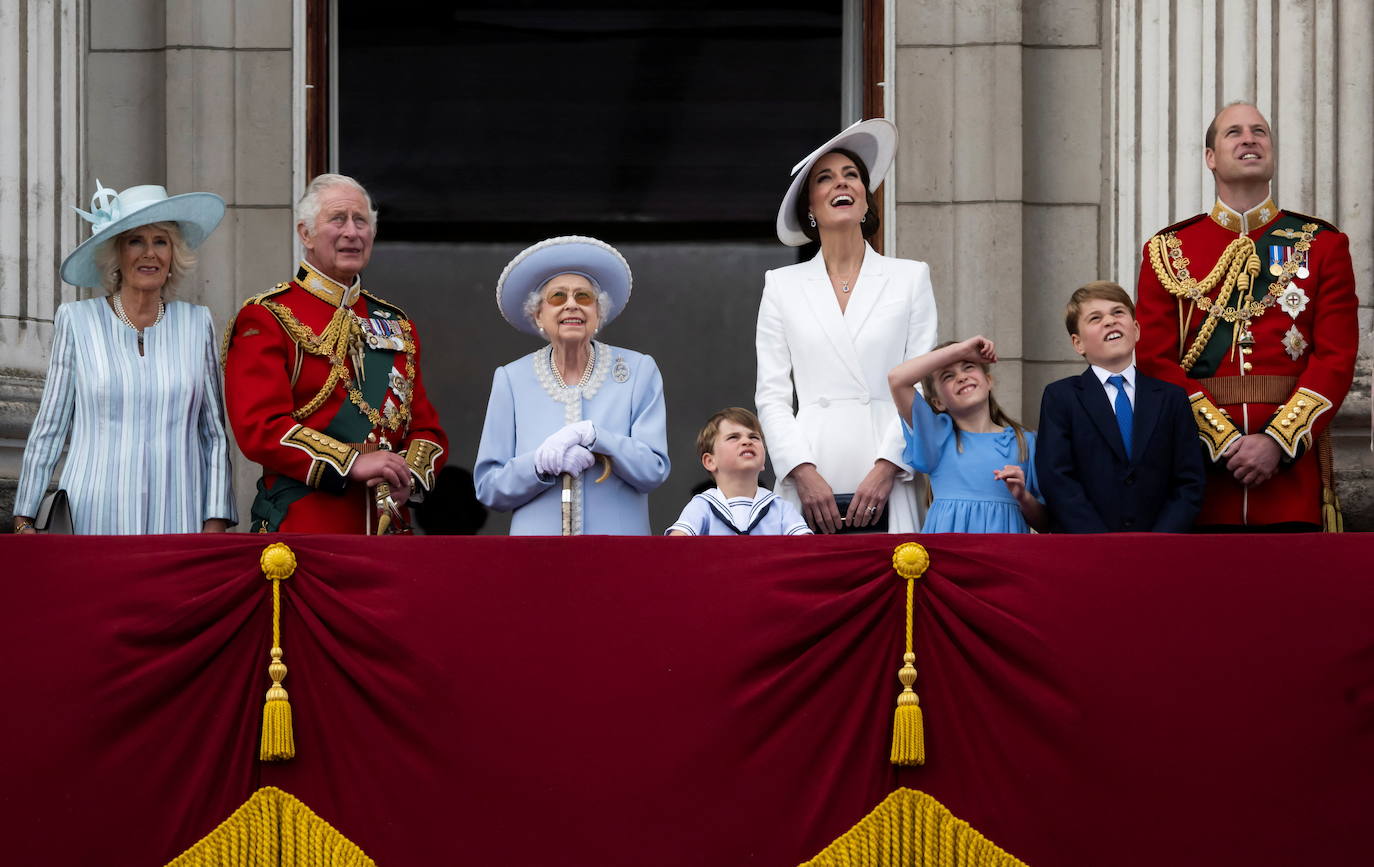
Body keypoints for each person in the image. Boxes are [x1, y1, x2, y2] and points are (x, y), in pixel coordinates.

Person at [1134, 101, 1358, 531]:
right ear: (1210, 157)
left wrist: (1277, 441)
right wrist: (1222, 440)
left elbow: (1335, 357)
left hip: (1290, 477)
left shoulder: (1322, 245)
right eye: (1233, 132)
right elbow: (1153, 359)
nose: (1250, 138)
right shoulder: (1168, 249)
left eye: (1260, 131)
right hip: (1198, 477)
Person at [222, 173, 447, 533]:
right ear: (305, 234)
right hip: (305, 527)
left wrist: (408, 475)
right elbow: (259, 428)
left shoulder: (396, 323)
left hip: (387, 527)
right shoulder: (268, 317)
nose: (352, 232)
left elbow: (427, 429)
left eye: (361, 221)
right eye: (337, 219)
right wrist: (351, 463)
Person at [12, 182, 237, 534]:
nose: (149, 253)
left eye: (160, 241)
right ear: (116, 253)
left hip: (179, 518)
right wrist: (24, 517)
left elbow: (214, 435)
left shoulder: (197, 324)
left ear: (173, 253)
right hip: (93, 517)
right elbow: (50, 427)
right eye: (136, 241)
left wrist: (215, 520)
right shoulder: (77, 321)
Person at [756, 118, 937, 534]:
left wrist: (888, 465)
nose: (842, 184)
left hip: (887, 468)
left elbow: (921, 383)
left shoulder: (910, 277)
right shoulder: (781, 286)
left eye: (851, 175)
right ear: (810, 207)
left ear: (866, 199)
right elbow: (772, 394)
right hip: (811, 470)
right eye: (826, 178)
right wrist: (801, 470)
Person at [474, 236, 670, 535]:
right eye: (557, 297)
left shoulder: (638, 370)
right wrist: (538, 465)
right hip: (537, 555)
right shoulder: (511, 379)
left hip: (619, 553)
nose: (571, 305)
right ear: (538, 315)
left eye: (583, 297)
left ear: (598, 314)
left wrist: (597, 437)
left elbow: (652, 470)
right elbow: (489, 488)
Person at [1035, 282, 1205, 533]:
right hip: (1088, 547)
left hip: (1159, 548)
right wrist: (1101, 542)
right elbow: (1056, 478)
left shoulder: (1170, 397)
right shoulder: (1061, 397)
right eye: (1095, 318)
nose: (1110, 321)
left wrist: (1159, 539)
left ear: (1135, 329)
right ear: (1078, 343)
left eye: (1118, 312)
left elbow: (1189, 480)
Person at [886, 337, 1045, 533]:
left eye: (969, 367)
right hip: (949, 555)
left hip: (1003, 554)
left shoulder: (1025, 441)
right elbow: (897, 379)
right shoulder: (936, 436)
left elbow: (1045, 523)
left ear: (988, 381)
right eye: (947, 376)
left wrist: (1022, 496)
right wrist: (961, 350)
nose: (961, 377)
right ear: (938, 403)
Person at [665, 407, 811, 536]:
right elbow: (676, 545)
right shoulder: (702, 505)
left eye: (754, 437)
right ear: (710, 461)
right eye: (733, 437)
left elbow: (807, 548)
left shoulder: (780, 507)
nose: (747, 442)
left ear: (763, 462)